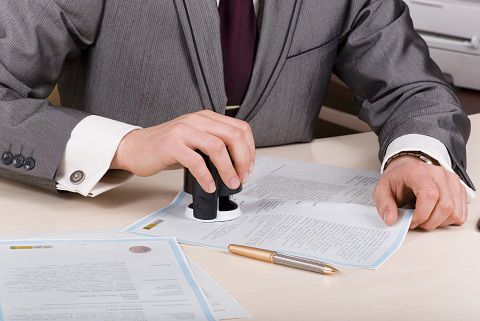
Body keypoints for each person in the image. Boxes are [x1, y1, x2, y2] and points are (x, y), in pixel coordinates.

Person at [0, 0, 475, 231]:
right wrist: (127, 145)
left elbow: (412, 87)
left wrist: (415, 153)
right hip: (118, 226)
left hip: (283, 239)